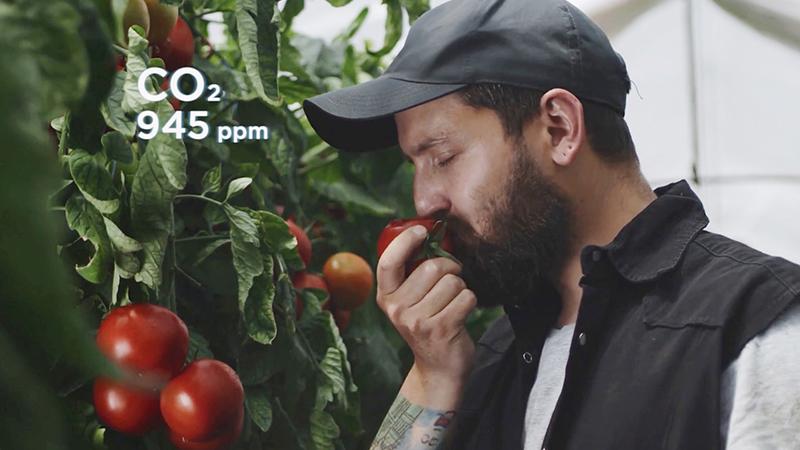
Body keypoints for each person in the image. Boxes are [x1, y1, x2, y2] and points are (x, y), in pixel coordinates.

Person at [302, 0, 800, 448]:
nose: (424, 199)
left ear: (559, 128)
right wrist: (433, 376)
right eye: (415, 165)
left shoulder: (752, 330)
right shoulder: (495, 352)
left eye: (443, 156)